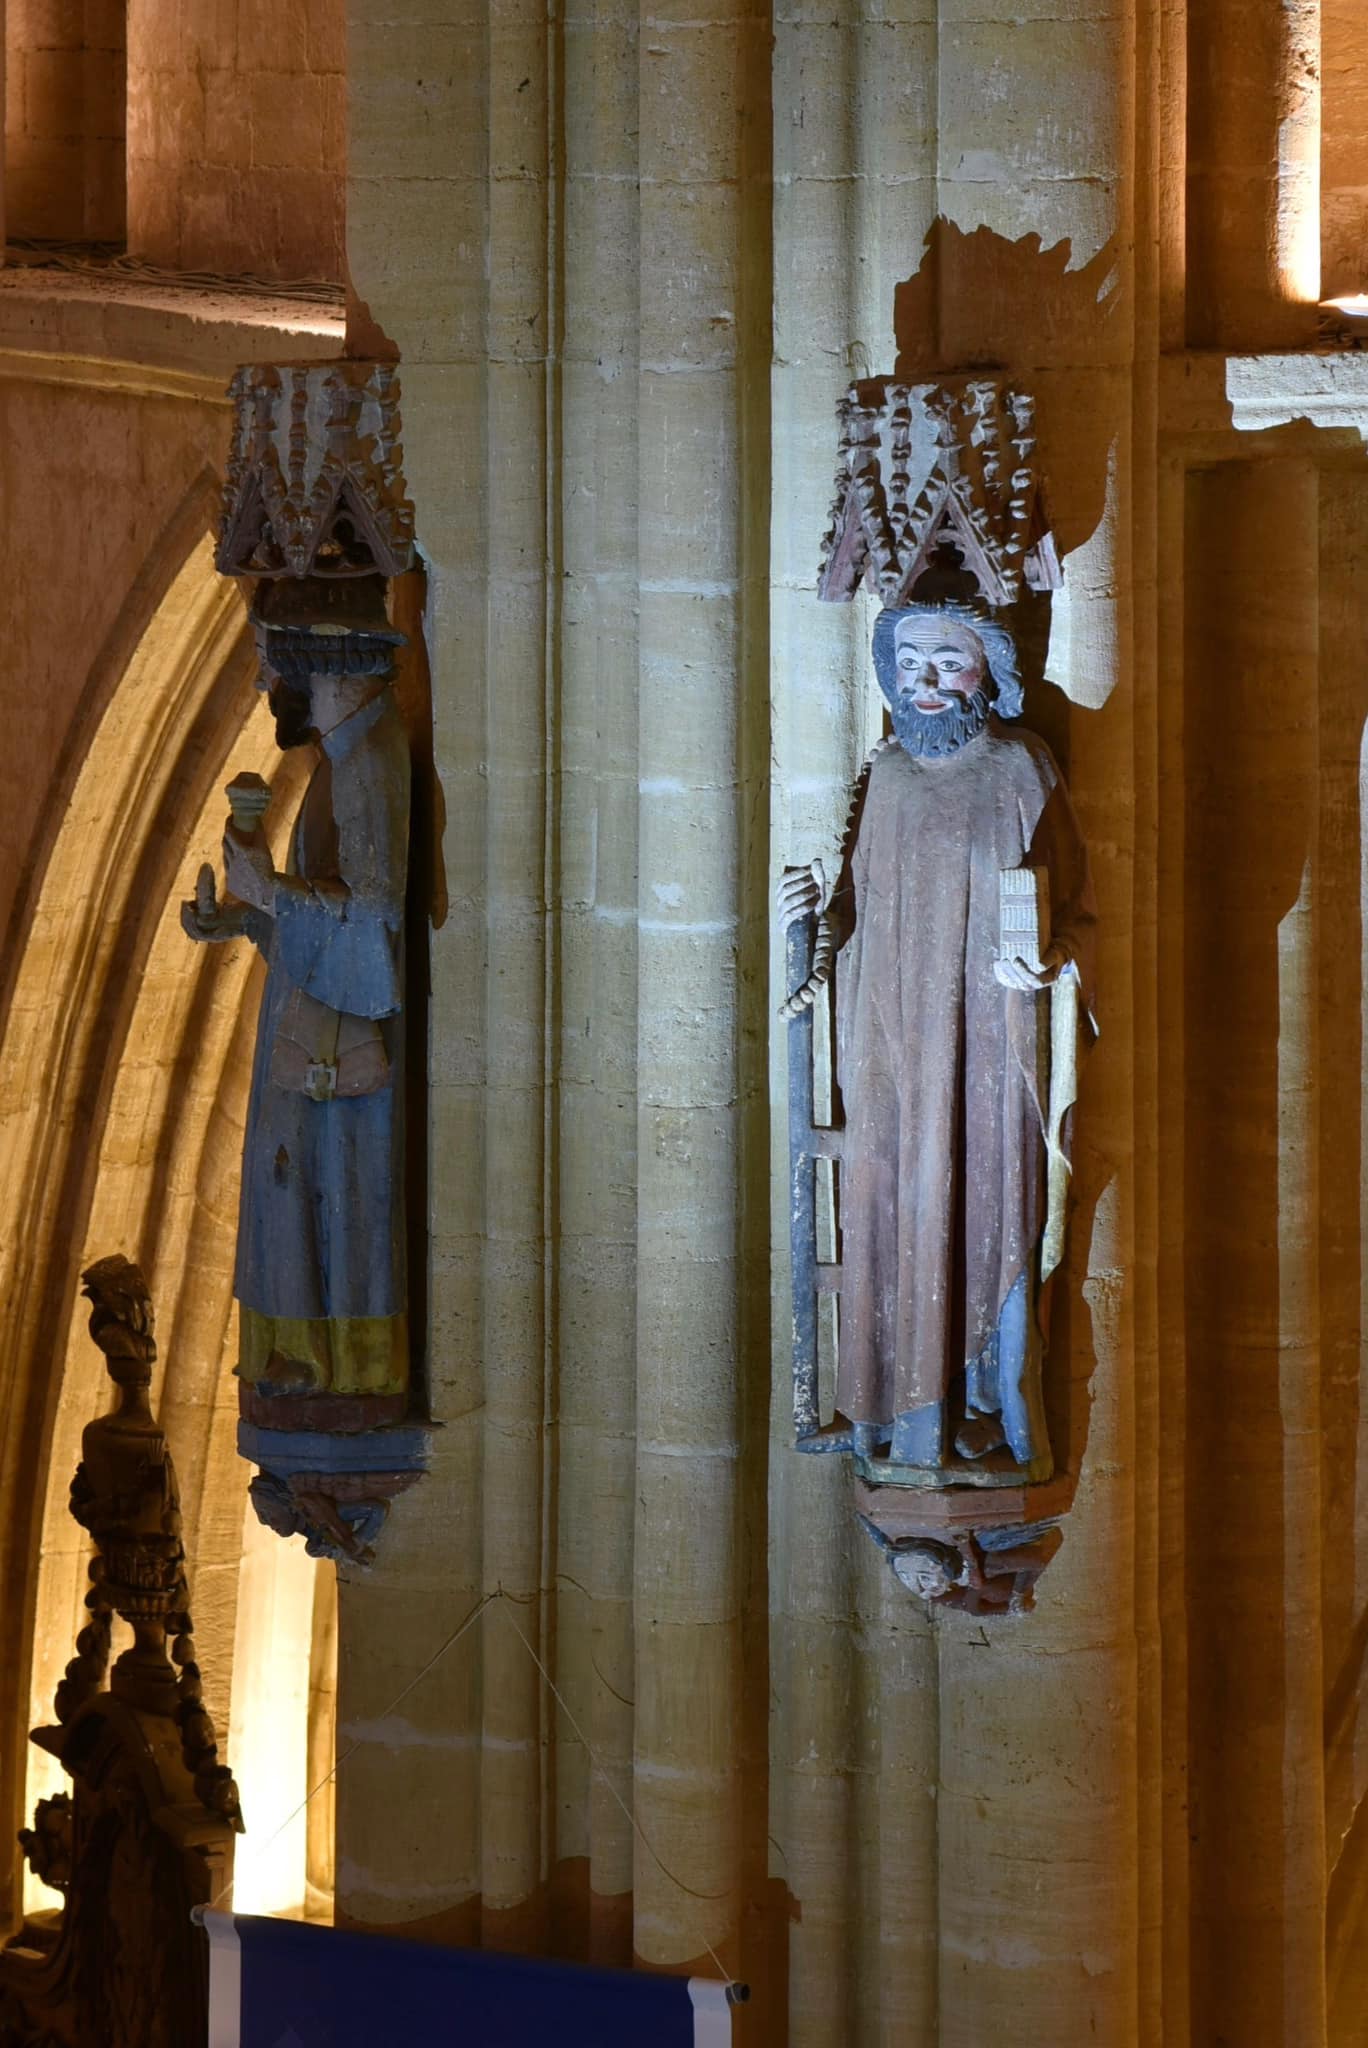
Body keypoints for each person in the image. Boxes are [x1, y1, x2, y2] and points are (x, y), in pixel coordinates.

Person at [779, 602, 1095, 1478]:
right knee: (892, 1208)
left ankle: (993, 1413)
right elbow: (854, 905)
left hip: (991, 1044)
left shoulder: (1020, 767)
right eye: (910, 662)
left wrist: (1052, 960)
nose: (924, 682)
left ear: (987, 671)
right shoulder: (883, 774)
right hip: (889, 1043)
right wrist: (812, 923)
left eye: (947, 663)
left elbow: (1080, 911)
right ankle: (900, 1424)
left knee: (992, 1208)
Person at [183, 576, 410, 1415]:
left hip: (340, 1070)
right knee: (289, 1195)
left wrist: (271, 892)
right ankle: (305, 1356)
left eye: (272, 660)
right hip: (316, 1039)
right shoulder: (342, 762)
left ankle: (333, 1364)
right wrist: (245, 915)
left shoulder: (368, 764)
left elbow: (376, 927)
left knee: (321, 1205)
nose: (264, 681)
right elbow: (335, 921)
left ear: (320, 661)